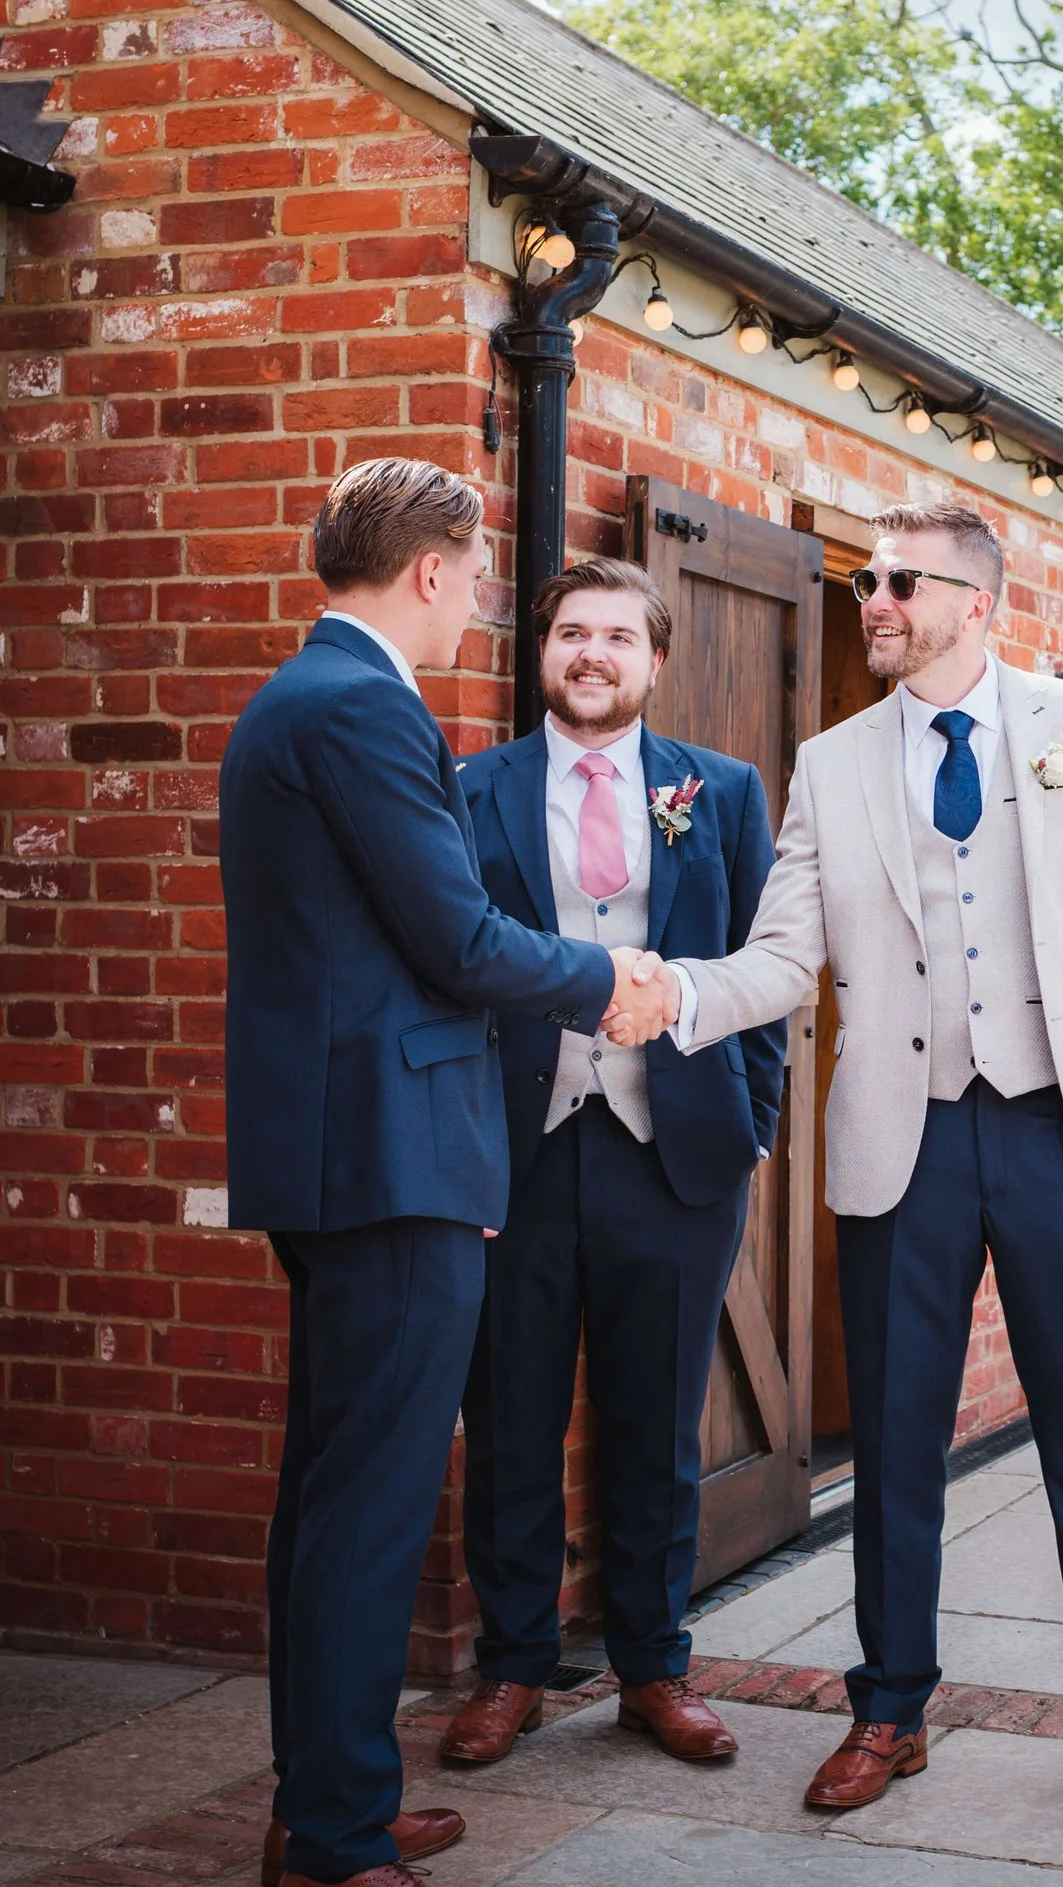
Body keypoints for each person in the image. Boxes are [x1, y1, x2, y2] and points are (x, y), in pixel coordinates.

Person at [609, 501, 1063, 1823]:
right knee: (893, 1436)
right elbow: (784, 952)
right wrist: (680, 995)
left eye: (898, 581)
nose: (872, 600)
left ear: (976, 600)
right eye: (866, 580)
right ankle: (889, 1706)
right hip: (909, 1134)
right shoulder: (832, 761)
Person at [220, 459, 634, 1887]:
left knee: (333, 1499)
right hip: (386, 1159)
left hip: (348, 1150)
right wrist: (612, 980)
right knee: (369, 1505)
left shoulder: (310, 697)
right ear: (433, 571)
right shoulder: (359, 705)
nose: (474, 604)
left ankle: (319, 1802)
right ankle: (334, 1859)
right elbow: (455, 938)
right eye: (471, 578)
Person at [439, 558, 784, 1768]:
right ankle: (514, 1670)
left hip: (676, 1154)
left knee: (656, 1425)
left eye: (618, 637)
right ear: (541, 652)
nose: (593, 654)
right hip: (514, 1159)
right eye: (571, 633)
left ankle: (654, 1667)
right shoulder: (468, 788)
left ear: (656, 659)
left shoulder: (723, 792)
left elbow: (763, 971)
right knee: (512, 1424)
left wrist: (754, 1123)